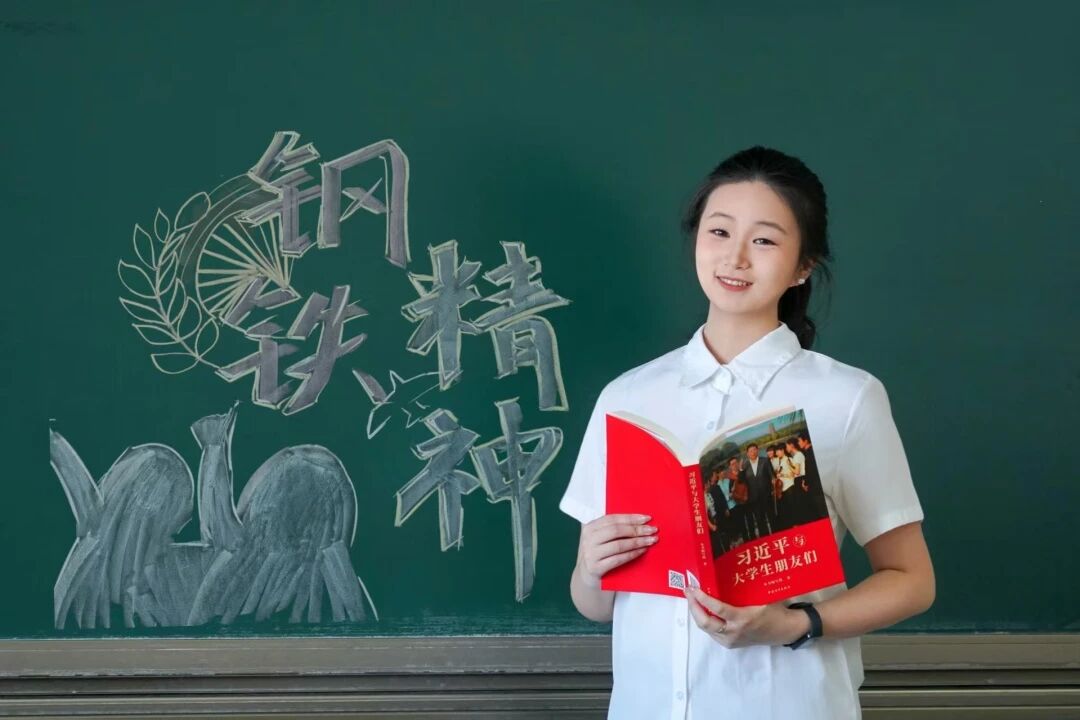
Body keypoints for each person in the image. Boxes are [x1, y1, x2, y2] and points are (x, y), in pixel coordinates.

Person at [560, 146, 934, 719]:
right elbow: (597, 605)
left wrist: (795, 624)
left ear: (803, 265)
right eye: (719, 231)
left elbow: (911, 580)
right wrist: (590, 568)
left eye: (763, 240)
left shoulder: (846, 398)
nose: (734, 257)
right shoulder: (628, 398)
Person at [740, 442, 775, 538]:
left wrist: (773, 484)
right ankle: (766, 540)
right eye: (750, 451)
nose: (753, 452)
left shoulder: (765, 461)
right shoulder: (745, 465)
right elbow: (741, 481)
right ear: (747, 454)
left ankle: (777, 536)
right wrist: (741, 470)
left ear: (758, 450)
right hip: (754, 499)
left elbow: (772, 475)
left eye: (754, 450)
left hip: (767, 495)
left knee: (772, 518)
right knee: (760, 521)